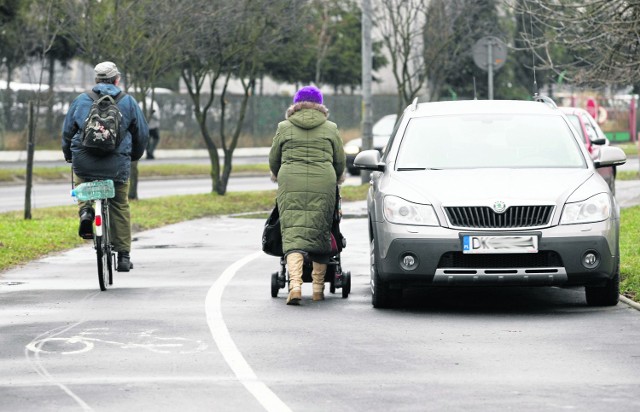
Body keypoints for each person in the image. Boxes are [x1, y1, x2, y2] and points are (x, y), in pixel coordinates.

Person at [62, 61, 149, 272]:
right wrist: (133, 156)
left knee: (83, 184)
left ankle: (85, 212)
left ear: (96, 80)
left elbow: (67, 132)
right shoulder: (128, 102)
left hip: (85, 161)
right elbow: (142, 135)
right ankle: (124, 257)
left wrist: (69, 156)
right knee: (119, 205)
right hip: (117, 165)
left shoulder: (81, 100)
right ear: (116, 79)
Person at [269, 85, 346, 305]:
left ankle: (294, 287)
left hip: (290, 182)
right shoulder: (330, 128)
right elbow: (339, 160)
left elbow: (274, 158)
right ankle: (318, 291)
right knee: (321, 233)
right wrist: (338, 177)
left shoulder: (284, 127)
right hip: (324, 183)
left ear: (296, 104)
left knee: (293, 235)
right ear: (320, 105)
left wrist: (277, 174)